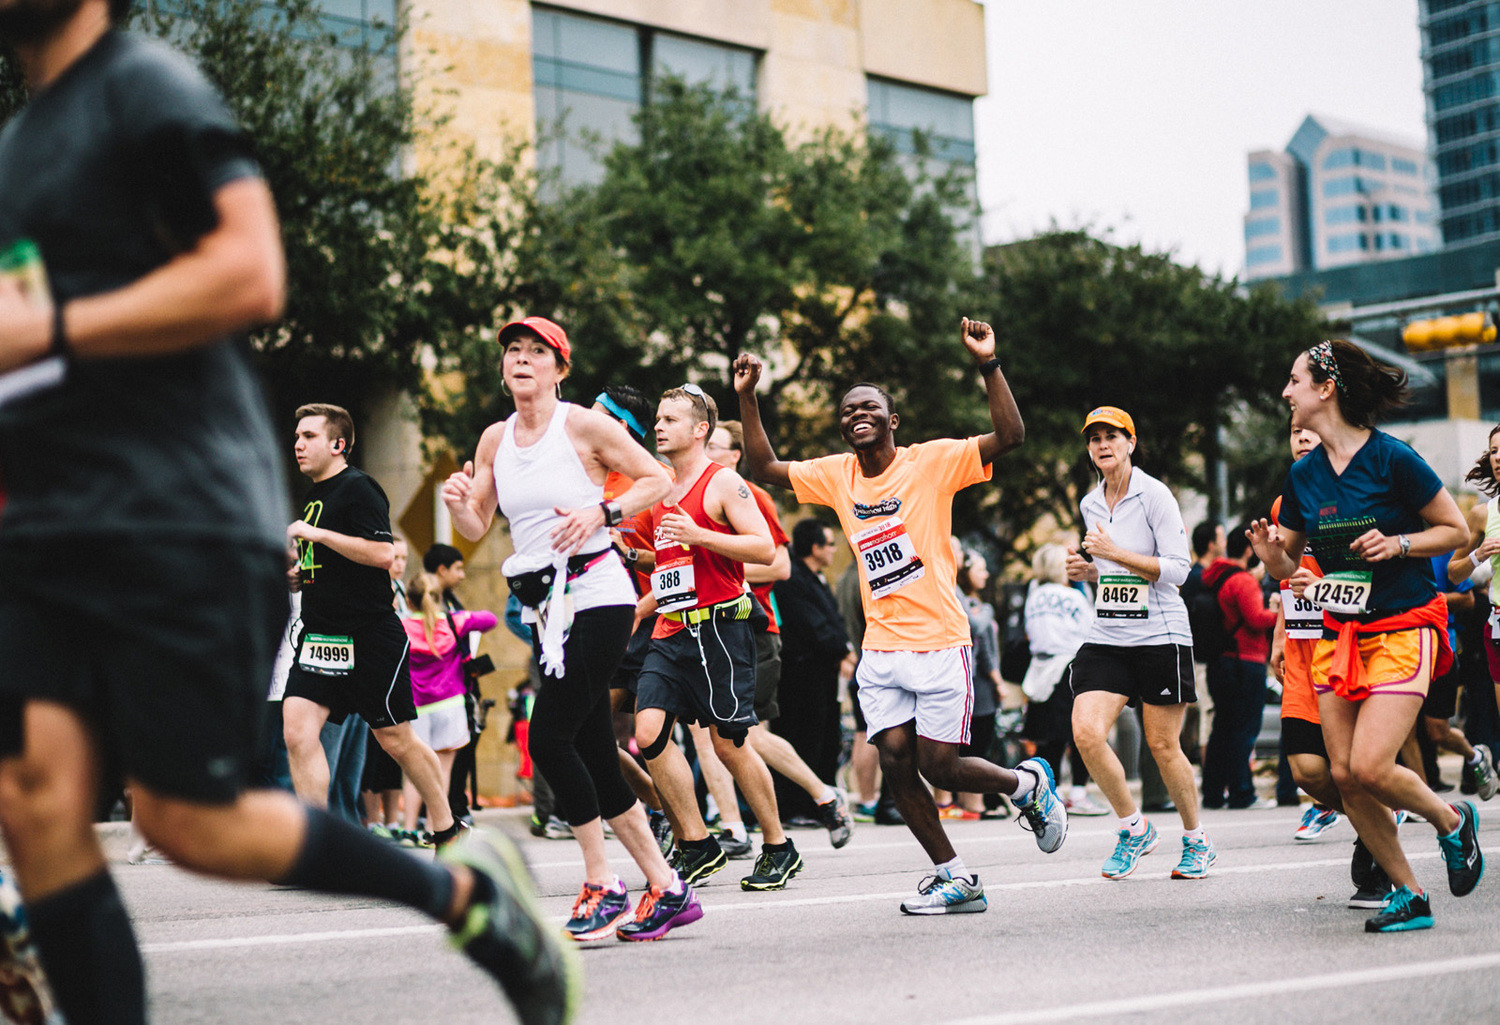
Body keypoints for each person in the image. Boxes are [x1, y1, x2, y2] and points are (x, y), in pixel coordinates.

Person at [0, 2, 572, 1021]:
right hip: (53, 525)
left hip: (177, 513)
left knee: (191, 820)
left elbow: (250, 268)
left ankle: (467, 893)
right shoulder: (18, 149)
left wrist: (55, 328)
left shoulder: (142, 89)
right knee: (34, 804)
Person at [735, 317, 1068, 916]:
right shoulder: (836, 474)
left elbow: (1011, 436)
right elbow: (764, 469)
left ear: (893, 421)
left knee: (941, 766)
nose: (856, 414)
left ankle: (1027, 784)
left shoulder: (931, 462)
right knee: (894, 758)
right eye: (848, 410)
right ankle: (954, 876)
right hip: (882, 648)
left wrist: (988, 364)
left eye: (869, 407)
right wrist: (747, 398)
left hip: (940, 641)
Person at [442, 315, 700, 941]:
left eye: (537, 351)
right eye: (513, 350)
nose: (521, 360)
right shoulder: (495, 439)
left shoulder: (582, 424)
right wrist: (458, 505)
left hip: (599, 595)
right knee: (594, 753)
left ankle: (602, 882)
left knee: (549, 738)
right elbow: (478, 524)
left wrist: (601, 512)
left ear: (559, 368)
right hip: (545, 610)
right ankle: (666, 886)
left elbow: (658, 478)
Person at [1248, 339, 1482, 933]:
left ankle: (1453, 821)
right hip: (1339, 632)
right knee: (1345, 775)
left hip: (1405, 624)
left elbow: (1455, 530)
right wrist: (1273, 559)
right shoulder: (1303, 476)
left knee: (1372, 766)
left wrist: (1398, 543)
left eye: (1295, 380)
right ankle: (1410, 894)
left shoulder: (1392, 458)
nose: (1286, 392)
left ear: (1326, 388)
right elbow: (1291, 565)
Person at [629, 384, 804, 891]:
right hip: (671, 629)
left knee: (730, 746)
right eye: (658, 419)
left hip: (720, 630)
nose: (658, 427)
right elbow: (671, 566)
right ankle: (697, 843)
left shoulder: (723, 482)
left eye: (670, 420)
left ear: (699, 429)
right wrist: (633, 581)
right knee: (649, 734)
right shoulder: (660, 487)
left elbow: (765, 549)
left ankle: (778, 846)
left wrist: (700, 534)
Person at [281, 405, 458, 844]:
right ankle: (318, 844)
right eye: (297, 436)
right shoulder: (316, 497)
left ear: (338, 444)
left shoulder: (359, 488)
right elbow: (333, 563)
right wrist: (302, 574)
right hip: (320, 636)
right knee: (297, 731)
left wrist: (317, 535)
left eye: (309, 436)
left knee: (395, 739)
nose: (298, 444)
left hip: (369, 636)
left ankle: (447, 827)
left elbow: (381, 554)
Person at [1063, 406, 1215, 880]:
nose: (1102, 445)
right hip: (1108, 633)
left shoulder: (1156, 496)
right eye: (1094, 439)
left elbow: (1178, 570)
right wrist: (1091, 571)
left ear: (1130, 442)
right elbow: (1113, 572)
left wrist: (1113, 553)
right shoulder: (1091, 503)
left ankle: (1196, 841)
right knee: (1086, 732)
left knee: (1163, 745)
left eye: (1112, 436)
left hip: (1160, 635)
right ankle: (1134, 829)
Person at [712, 422, 854, 843]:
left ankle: (820, 796)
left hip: (750, 630)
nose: (705, 451)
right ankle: (729, 827)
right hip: (703, 628)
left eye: (714, 445)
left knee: (746, 735)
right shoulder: (689, 494)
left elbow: (780, 566)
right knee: (710, 736)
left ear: (735, 455)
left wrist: (715, 568)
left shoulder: (751, 495)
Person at [399, 574, 498, 839]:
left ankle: (408, 828)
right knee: (442, 770)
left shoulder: (401, 626)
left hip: (417, 708)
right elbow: (490, 619)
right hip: (450, 705)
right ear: (438, 598)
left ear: (409, 600)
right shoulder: (453, 623)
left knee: (413, 770)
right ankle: (435, 828)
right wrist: (457, 616)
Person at [772, 517, 857, 825]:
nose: (834, 550)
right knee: (800, 737)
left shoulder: (816, 577)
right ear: (815, 547)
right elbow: (812, 624)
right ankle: (794, 807)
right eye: (830, 544)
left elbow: (833, 620)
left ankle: (817, 805)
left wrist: (845, 650)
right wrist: (841, 651)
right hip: (799, 674)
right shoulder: (792, 577)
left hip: (823, 672)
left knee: (825, 737)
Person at [1199, 525, 1279, 810]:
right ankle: (1242, 793)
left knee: (1222, 729)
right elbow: (1256, 619)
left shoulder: (1215, 576)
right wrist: (1278, 611)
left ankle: (1212, 793)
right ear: (1248, 549)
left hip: (1220, 662)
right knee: (1244, 729)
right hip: (1245, 661)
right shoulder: (1242, 581)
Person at [1021, 543, 1101, 815]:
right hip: (1070, 666)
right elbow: (1091, 629)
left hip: (1039, 669)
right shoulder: (1073, 597)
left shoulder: (1033, 596)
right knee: (1080, 732)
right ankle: (1078, 793)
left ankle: (1048, 793)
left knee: (1049, 738)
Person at [1445, 422, 1500, 800]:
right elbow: (1453, 571)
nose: (1498, 458)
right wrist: (1478, 555)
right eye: (1494, 451)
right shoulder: (1482, 515)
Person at [423, 542, 479, 827]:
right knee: (438, 756)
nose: (462, 575)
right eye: (458, 569)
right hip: (436, 690)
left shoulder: (451, 599)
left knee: (461, 748)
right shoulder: (428, 601)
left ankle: (454, 805)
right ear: (442, 570)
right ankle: (438, 814)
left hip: (460, 683)